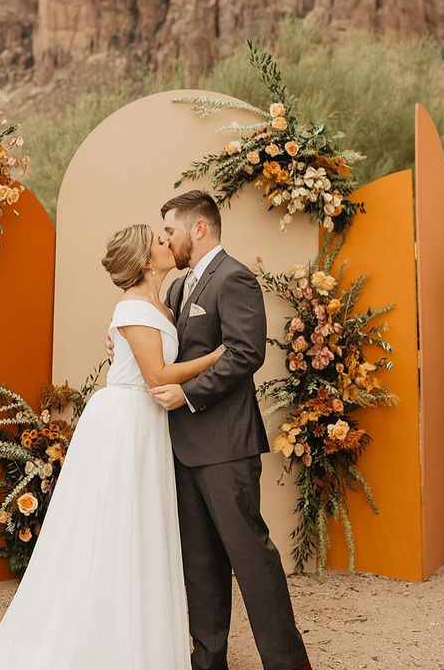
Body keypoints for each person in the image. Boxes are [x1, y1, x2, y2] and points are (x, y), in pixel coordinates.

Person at [0, 223, 226, 670]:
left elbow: (148, 356)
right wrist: (218, 357)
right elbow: (158, 375)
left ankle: (134, 638)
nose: (168, 243)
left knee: (140, 529)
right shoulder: (132, 308)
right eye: (160, 241)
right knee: (115, 529)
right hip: (125, 424)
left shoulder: (163, 302)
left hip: (148, 424)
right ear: (144, 260)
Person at [149, 190, 311, 670]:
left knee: (252, 559)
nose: (166, 240)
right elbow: (164, 350)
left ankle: (287, 663)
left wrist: (189, 395)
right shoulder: (178, 289)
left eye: (171, 231)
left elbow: (245, 353)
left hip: (225, 447)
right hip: (182, 450)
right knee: (200, 566)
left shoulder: (234, 277)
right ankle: (209, 662)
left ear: (199, 229)